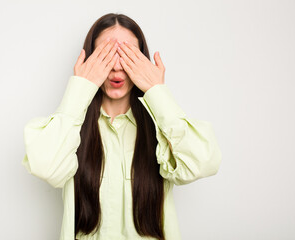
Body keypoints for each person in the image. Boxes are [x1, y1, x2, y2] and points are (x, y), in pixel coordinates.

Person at [22, 13, 222, 240]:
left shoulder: (163, 128)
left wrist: (156, 91)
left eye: (127, 55)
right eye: (107, 55)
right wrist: (80, 88)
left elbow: (203, 163)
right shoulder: (71, 130)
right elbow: (46, 167)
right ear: (89, 60)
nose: (117, 67)